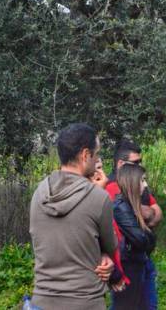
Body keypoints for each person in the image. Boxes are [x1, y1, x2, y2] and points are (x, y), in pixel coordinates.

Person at [29, 123, 117, 310]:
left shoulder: (38, 194)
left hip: (42, 301)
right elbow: (110, 246)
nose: (97, 160)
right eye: (97, 153)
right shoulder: (98, 198)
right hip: (85, 301)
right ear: (86, 155)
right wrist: (103, 254)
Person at [107, 139, 162, 310]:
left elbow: (157, 214)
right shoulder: (111, 189)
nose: (140, 165)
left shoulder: (139, 186)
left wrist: (141, 212)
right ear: (121, 164)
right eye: (136, 162)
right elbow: (140, 237)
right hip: (126, 262)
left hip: (142, 259)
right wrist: (140, 213)